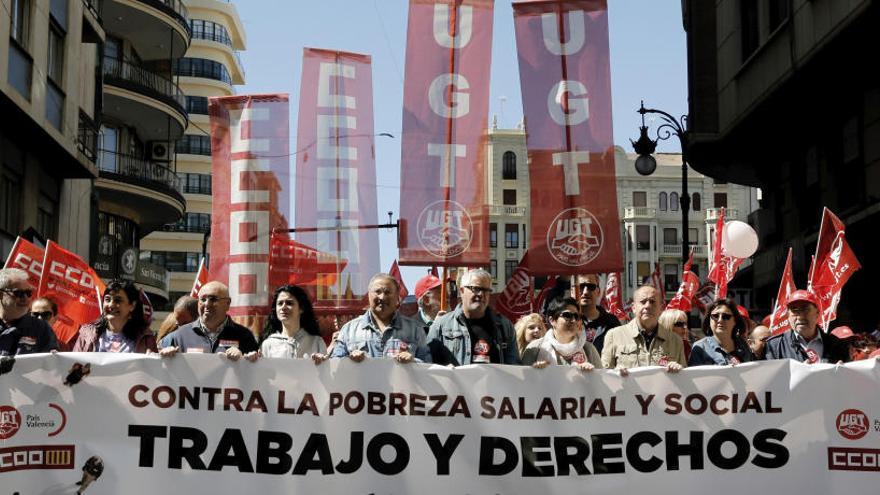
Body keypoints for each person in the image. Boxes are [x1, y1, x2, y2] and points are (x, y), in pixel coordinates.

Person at [427, 269, 520, 366]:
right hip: (457, 381)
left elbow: (514, 366)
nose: (481, 294)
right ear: (462, 291)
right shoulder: (441, 326)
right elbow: (428, 365)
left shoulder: (504, 326)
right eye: (475, 289)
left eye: (486, 290)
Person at [330, 274, 429, 363]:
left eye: (388, 292)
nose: (382, 297)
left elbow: (428, 365)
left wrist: (413, 362)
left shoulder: (415, 329)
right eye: (377, 291)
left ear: (397, 297)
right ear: (369, 295)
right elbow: (335, 365)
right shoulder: (349, 330)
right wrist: (349, 360)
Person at [158, 281, 258, 360]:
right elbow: (155, 367)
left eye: (213, 299)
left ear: (228, 303)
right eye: (203, 299)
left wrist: (245, 360)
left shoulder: (245, 336)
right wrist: (164, 356)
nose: (207, 304)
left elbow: (256, 374)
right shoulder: (178, 337)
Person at [601, 285, 685, 372]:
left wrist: (678, 371)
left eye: (652, 302)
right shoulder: (614, 336)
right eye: (643, 302)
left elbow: (685, 379)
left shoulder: (675, 341)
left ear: (661, 308)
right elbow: (604, 375)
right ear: (633, 307)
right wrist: (615, 373)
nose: (648, 306)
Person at [763, 290, 849, 363]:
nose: (800, 316)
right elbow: (772, 379)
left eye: (805, 309)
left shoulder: (837, 344)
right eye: (794, 310)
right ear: (788, 316)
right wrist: (799, 373)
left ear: (817, 313)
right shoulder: (775, 346)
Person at [72, 280, 156, 353]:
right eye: (107, 299)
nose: (111, 305)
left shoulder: (145, 338)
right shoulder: (87, 334)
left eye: (118, 300)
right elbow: (73, 365)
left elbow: (154, 368)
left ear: (132, 306)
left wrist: (166, 356)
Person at [521, 297, 601, 370]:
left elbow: (601, 382)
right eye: (567, 316)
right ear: (552, 320)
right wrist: (536, 372)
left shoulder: (588, 349)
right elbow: (524, 381)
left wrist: (591, 374)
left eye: (576, 316)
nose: (573, 320)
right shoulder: (535, 348)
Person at [0, 268, 58, 356]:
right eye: (18, 293)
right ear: (1, 295)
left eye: (28, 293)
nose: (26, 298)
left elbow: (51, 366)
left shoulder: (41, 328)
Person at [261, 285, 327, 362]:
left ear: (301, 308)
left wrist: (321, 364)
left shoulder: (316, 342)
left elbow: (325, 372)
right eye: (280, 303)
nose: (283, 307)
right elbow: (263, 373)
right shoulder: (268, 344)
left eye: (289, 303)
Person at [689, 299, 755, 366]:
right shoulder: (700, 347)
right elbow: (695, 375)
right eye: (715, 316)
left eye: (726, 316)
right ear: (709, 320)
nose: (720, 320)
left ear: (735, 321)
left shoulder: (743, 345)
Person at [572, 274, 621, 353]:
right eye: (581, 286)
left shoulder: (611, 322)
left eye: (591, 287)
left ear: (598, 291)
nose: (585, 292)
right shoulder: (567, 321)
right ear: (572, 291)